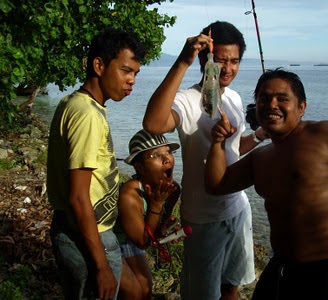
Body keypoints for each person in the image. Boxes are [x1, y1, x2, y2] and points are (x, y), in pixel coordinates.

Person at [204, 68, 328, 300]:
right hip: (283, 267)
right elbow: (216, 185)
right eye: (264, 99)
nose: (272, 104)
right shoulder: (260, 157)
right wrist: (217, 142)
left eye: (282, 98)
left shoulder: (325, 133)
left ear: (301, 107)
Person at [142, 21, 268, 300]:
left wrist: (260, 136)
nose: (228, 68)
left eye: (234, 61)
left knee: (231, 286)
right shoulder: (187, 101)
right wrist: (182, 61)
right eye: (221, 60)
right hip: (203, 217)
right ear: (205, 59)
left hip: (238, 207)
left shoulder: (233, 98)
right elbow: (153, 123)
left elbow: (234, 149)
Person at [47, 28, 145, 299]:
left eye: (135, 73)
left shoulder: (74, 103)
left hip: (77, 230)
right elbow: (79, 197)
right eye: (126, 70)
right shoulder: (87, 115)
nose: (131, 81)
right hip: (90, 238)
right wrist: (101, 266)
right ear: (99, 65)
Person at [114, 129, 181, 300]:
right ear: (140, 168)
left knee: (146, 290)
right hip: (115, 241)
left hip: (136, 238)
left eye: (168, 152)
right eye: (156, 155)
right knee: (135, 293)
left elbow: (155, 233)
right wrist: (156, 204)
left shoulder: (173, 190)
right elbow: (143, 241)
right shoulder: (131, 194)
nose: (167, 158)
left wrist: (169, 230)